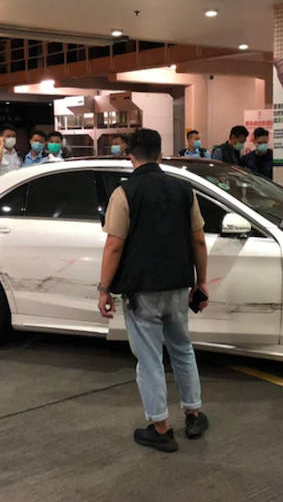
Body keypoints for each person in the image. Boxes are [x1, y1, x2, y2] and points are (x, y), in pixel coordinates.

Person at [97, 128, 210, 453]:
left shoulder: (125, 193)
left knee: (149, 359)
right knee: (182, 350)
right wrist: (201, 282)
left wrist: (104, 289)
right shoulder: (184, 190)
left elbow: (114, 246)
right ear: (160, 154)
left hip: (141, 290)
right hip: (178, 285)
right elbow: (198, 239)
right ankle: (193, 414)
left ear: (130, 155)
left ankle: (161, 426)